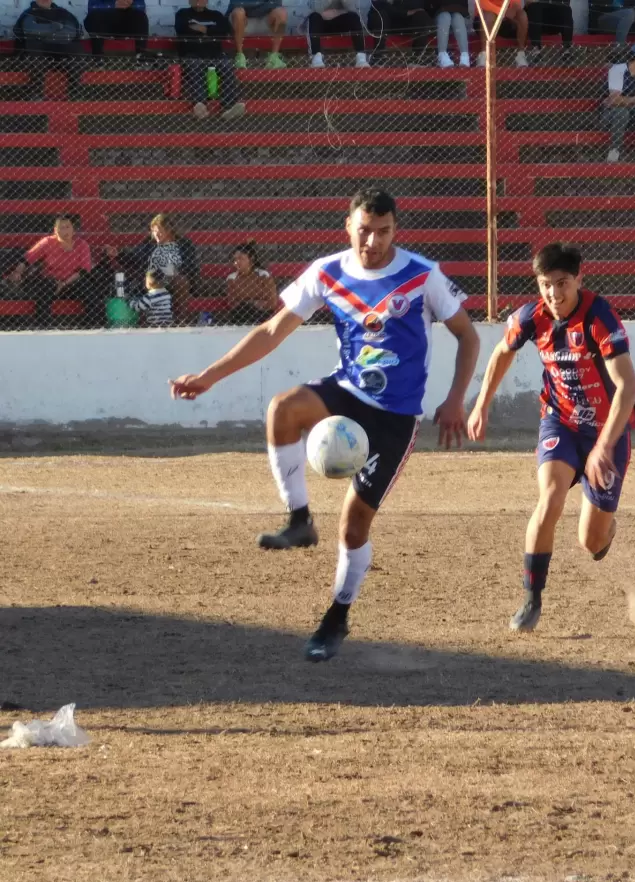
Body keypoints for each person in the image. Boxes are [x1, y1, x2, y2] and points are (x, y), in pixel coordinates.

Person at [168, 188, 480, 663]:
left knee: (354, 527)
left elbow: (468, 335)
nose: (373, 241)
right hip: (347, 392)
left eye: (384, 231)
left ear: (396, 229)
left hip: (395, 416)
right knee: (282, 409)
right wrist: (209, 376)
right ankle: (298, 520)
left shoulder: (422, 275)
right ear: (348, 227)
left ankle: (336, 617)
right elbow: (272, 330)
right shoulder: (328, 272)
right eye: (364, 230)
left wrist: (457, 398)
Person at [467, 242, 635, 633]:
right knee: (550, 498)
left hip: (605, 432)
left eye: (562, 283)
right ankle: (531, 599)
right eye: (546, 284)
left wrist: (603, 447)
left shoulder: (599, 317)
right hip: (559, 423)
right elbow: (501, 352)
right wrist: (481, 405)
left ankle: (605, 529)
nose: (554, 294)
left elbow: (627, 388)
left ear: (580, 278)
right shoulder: (533, 316)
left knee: (591, 543)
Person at [7, 215, 95, 328]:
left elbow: (84, 271)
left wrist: (64, 283)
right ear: (55, 230)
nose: (64, 231)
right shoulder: (47, 242)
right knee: (45, 288)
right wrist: (18, 272)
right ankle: (44, 326)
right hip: (51, 282)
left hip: (72, 282)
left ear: (73, 229)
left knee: (88, 289)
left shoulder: (82, 245)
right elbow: (28, 258)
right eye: (61, 228)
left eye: (67, 227)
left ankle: (92, 325)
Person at [175, 0, 247, 120]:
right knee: (194, 65)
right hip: (192, 53)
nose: (198, 2)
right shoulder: (182, 14)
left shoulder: (216, 15)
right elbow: (182, 30)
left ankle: (229, 107)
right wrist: (210, 30)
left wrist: (202, 29)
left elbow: (223, 33)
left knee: (226, 65)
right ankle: (200, 105)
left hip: (215, 53)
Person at [13, 0, 84, 99]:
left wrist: (44, 34)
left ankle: (74, 92)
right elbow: (31, 30)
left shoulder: (63, 13)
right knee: (33, 45)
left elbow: (70, 33)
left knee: (75, 48)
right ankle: (36, 93)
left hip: (60, 53)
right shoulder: (29, 13)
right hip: (38, 54)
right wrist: (55, 27)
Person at [226, 241, 279, 326]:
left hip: (262, 314)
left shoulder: (263, 276)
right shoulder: (232, 278)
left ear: (251, 259)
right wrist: (256, 302)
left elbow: (272, 303)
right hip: (241, 315)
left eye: (241, 258)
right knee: (243, 309)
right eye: (235, 259)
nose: (237, 262)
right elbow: (232, 304)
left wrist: (247, 302)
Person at [368, 0, 434, 65]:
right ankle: (378, 58)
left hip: (410, 23)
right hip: (388, 20)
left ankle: (418, 58)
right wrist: (406, 12)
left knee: (421, 16)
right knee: (380, 15)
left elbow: (427, 9)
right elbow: (377, 5)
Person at [307, 0, 369, 68]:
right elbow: (317, 9)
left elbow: (352, 9)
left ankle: (361, 57)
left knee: (354, 17)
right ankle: (316, 57)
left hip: (339, 22)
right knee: (314, 17)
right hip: (322, 24)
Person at [227, 0, 288, 69]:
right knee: (238, 12)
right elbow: (236, 3)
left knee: (282, 12)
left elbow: (276, 3)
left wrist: (251, 4)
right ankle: (240, 56)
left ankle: (274, 57)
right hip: (245, 21)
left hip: (265, 20)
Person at [84, 0, 149, 57]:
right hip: (104, 24)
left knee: (141, 17)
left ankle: (142, 59)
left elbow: (141, 6)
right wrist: (114, 5)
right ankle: (97, 60)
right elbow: (92, 7)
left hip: (126, 24)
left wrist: (130, 4)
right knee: (95, 17)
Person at [475, 0, 528, 68]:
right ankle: (484, 55)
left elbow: (516, 4)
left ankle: (521, 55)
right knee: (488, 16)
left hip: (506, 18)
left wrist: (513, 9)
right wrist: (502, 12)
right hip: (485, 16)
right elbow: (483, 4)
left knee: (522, 15)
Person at [431, 0, 470, 67]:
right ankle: (442, 55)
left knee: (458, 17)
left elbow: (464, 6)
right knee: (445, 16)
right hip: (439, 20)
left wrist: (446, 7)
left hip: (458, 17)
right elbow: (433, 6)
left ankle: (464, 55)